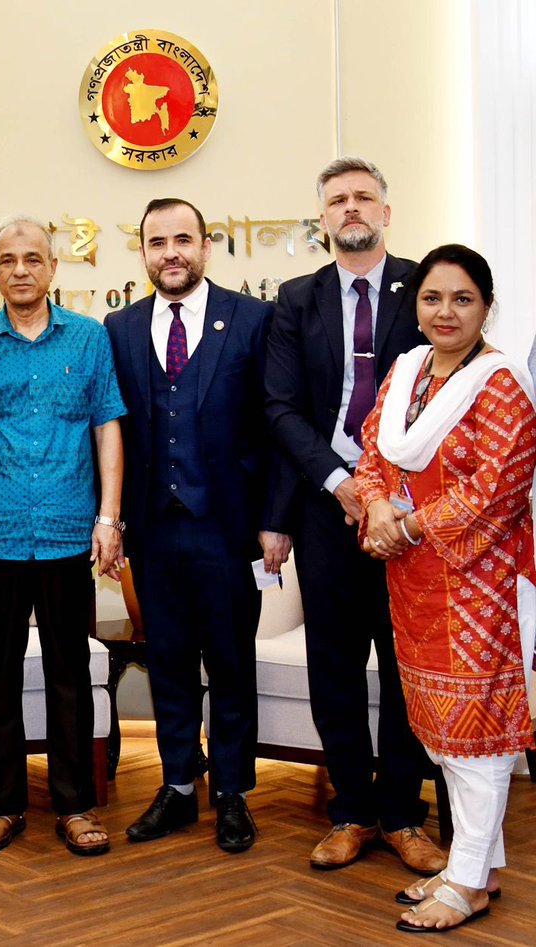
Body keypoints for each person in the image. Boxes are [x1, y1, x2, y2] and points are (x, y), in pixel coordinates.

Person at [265, 156, 444, 873]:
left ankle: (402, 813)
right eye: (337, 199)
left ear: (385, 211)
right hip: (326, 507)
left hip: (406, 512)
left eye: (363, 196)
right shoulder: (295, 298)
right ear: (323, 218)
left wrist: (381, 493)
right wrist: (342, 482)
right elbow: (279, 407)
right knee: (333, 663)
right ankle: (350, 811)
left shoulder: (424, 287)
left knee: (403, 665)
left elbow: (446, 389)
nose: (350, 208)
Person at [354, 244, 535, 933]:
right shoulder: (405, 371)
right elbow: (373, 452)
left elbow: (498, 487)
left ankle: (465, 881)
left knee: (478, 735)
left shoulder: (501, 383)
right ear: (416, 305)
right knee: (441, 732)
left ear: (487, 306)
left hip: (480, 584)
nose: (446, 311)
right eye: (433, 297)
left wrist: (410, 525)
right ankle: (477, 865)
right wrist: (374, 507)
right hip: (416, 585)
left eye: (462, 298)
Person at [105, 198, 291, 854]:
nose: (171, 252)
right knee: (170, 664)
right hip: (154, 531)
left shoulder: (251, 319)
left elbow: (275, 427)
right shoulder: (119, 328)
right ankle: (179, 786)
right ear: (144, 251)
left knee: (232, 664)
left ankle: (234, 791)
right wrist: (114, 520)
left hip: (230, 529)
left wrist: (275, 521)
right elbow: (114, 433)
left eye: (183, 239)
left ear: (207, 246)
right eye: (157, 242)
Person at [0, 216, 125, 856]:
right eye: (7, 260)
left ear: (53, 269)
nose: (20, 269)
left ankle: (75, 806)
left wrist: (109, 519)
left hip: (67, 534)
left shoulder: (88, 339)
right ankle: (4, 804)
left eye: (33, 259)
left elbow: (108, 428)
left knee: (69, 672)